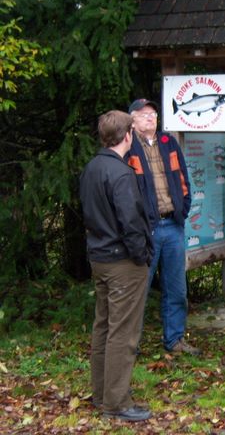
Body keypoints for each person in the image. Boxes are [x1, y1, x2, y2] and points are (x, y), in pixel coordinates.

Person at [79, 110, 153, 421]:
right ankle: (117, 403)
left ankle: (102, 394)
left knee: (104, 326)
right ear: (128, 136)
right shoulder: (120, 173)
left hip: (99, 257)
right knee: (123, 332)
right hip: (122, 261)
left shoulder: (92, 168)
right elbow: (130, 222)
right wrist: (141, 255)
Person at [127, 98, 200, 355]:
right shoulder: (128, 146)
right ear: (132, 120)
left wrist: (182, 209)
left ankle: (175, 340)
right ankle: (129, 346)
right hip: (145, 230)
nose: (150, 117)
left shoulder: (169, 142)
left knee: (177, 289)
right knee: (138, 290)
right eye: (144, 113)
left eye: (153, 113)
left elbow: (183, 180)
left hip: (173, 226)